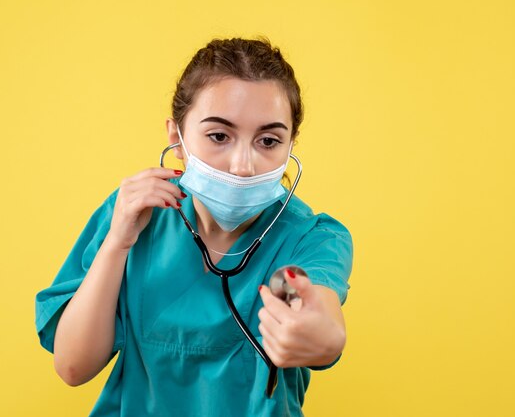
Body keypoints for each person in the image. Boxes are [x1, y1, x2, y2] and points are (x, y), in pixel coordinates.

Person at [35, 37, 353, 416]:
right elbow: (73, 367)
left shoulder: (311, 237)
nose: (242, 165)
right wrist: (118, 242)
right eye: (219, 136)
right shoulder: (132, 215)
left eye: (268, 140)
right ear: (178, 139)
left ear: (290, 145)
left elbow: (322, 314)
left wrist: (325, 337)